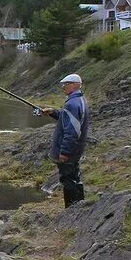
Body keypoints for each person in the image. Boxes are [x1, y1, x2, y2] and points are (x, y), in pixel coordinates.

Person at [41, 73, 90, 208]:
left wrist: (65, 152)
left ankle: (72, 210)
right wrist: (53, 112)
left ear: (75, 85)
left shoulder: (72, 104)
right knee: (75, 178)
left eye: (66, 84)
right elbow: (69, 120)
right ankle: (80, 207)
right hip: (76, 149)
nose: (63, 87)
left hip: (70, 151)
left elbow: (72, 131)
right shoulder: (79, 100)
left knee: (67, 180)